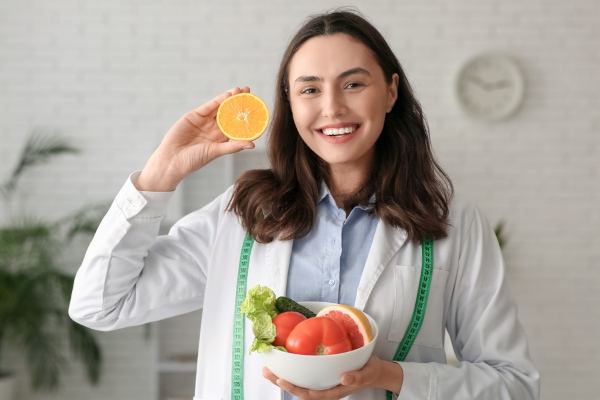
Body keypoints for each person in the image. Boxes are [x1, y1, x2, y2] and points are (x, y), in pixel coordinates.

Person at [69, 9, 540, 400]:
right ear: (291, 105)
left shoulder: (452, 223)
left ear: (392, 91)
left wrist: (390, 376)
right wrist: (159, 176)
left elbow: (515, 385)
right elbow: (101, 305)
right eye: (310, 89)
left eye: (353, 84)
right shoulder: (243, 213)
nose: (332, 108)